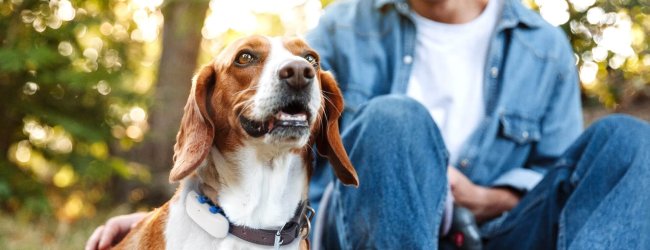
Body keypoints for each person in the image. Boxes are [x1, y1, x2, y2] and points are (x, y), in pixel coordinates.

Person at [86, 0, 650, 249]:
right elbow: (257, 118)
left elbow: (555, 175)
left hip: (497, 233)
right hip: (365, 229)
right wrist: (180, 216)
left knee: (629, 138)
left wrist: (478, 196)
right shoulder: (344, 26)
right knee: (395, 119)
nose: (303, 70)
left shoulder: (545, 47)